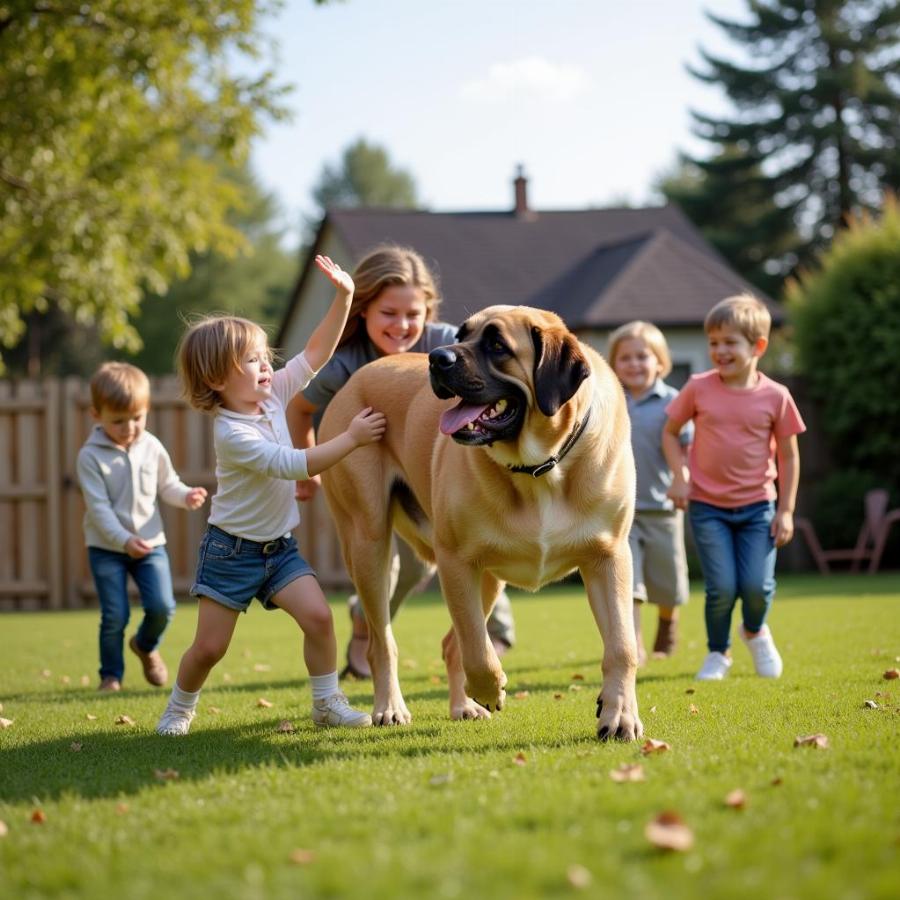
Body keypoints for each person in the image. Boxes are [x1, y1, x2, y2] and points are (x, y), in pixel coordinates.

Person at [156, 256, 386, 736]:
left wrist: (344, 296)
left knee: (320, 618)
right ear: (217, 380)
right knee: (210, 649)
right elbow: (293, 465)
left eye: (265, 356)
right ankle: (179, 708)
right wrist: (352, 438)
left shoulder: (274, 394)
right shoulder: (232, 433)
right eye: (251, 360)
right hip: (231, 552)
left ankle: (326, 704)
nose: (266, 365)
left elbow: (316, 352)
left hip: (278, 549)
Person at [286, 244, 516, 680]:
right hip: (364, 453)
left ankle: (488, 633)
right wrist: (307, 467)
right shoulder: (344, 363)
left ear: (429, 312)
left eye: (414, 314)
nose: (403, 325)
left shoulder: (451, 344)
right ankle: (368, 630)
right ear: (364, 310)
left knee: (459, 548)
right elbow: (298, 410)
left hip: (432, 469)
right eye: (389, 313)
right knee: (379, 552)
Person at [663, 294, 805, 681]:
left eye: (729, 343)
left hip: (760, 506)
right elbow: (670, 432)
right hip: (708, 507)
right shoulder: (698, 388)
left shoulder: (777, 397)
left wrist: (787, 511)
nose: (719, 351)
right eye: (713, 343)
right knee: (722, 588)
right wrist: (680, 476)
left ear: (758, 346)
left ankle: (756, 631)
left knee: (757, 587)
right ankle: (718, 653)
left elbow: (789, 458)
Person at [77, 362, 208, 692]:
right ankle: (111, 676)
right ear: (96, 415)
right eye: (118, 421)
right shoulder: (90, 457)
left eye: (137, 418)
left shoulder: (151, 446)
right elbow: (100, 509)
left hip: (150, 545)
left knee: (162, 606)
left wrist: (186, 495)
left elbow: (168, 485)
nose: (129, 427)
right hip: (107, 549)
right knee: (114, 616)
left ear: (146, 411)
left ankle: (146, 645)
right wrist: (124, 540)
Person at [607, 321, 692, 666]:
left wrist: (681, 479)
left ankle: (668, 623)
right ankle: (634, 646)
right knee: (629, 585)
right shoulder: (611, 401)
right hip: (620, 509)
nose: (633, 364)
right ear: (614, 365)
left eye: (642, 356)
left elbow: (687, 449)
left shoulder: (674, 402)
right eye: (625, 358)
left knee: (668, 584)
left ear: (660, 362)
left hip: (663, 506)